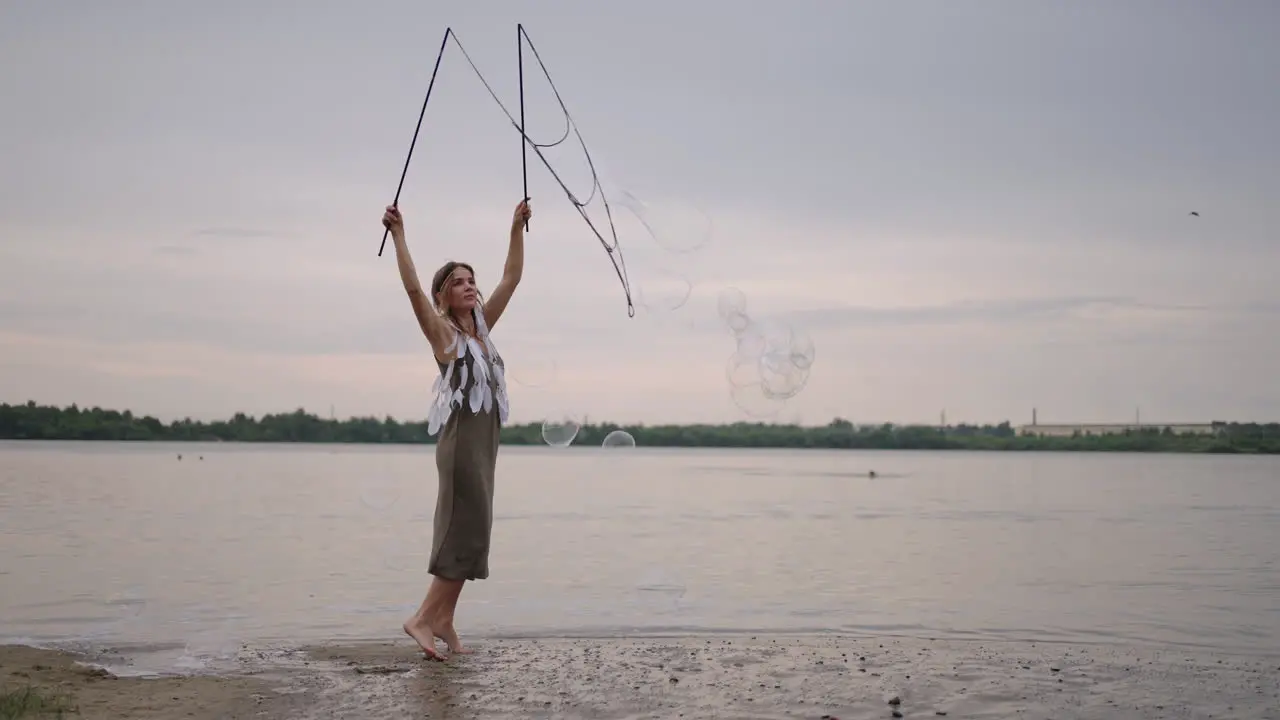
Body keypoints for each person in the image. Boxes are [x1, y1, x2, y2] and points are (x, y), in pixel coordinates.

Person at [381, 198, 532, 661]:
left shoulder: (483, 332)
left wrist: (514, 227)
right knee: (460, 529)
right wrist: (400, 236)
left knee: (476, 532)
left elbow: (512, 278)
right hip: (462, 445)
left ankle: (444, 619)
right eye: (456, 283)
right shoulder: (445, 336)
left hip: (485, 445)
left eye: (471, 280)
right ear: (442, 297)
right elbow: (411, 292)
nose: (468, 287)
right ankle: (422, 618)